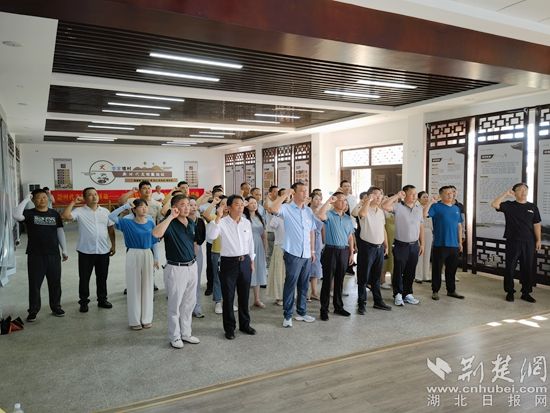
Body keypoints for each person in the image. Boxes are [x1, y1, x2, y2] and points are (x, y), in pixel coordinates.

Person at [152, 195, 200, 349]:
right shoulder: (170, 223)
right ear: (175, 207)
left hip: (192, 266)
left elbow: (193, 243)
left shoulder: (191, 222)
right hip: (176, 268)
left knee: (189, 303)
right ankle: (175, 336)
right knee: (175, 305)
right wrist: (170, 217)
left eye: (188, 204)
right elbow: (156, 234)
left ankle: (186, 333)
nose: (187, 207)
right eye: (182, 204)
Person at [206, 195, 256, 340]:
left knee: (244, 295)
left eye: (242, 204)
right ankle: (229, 328)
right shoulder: (221, 222)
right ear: (228, 207)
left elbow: (250, 242)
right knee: (228, 297)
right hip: (229, 263)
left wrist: (251, 260)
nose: (240, 207)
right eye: (236, 204)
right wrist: (218, 217)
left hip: (245, 261)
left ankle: (245, 325)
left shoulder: (246, 222)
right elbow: (211, 236)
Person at [14, 189, 68, 322]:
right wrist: (26, 199)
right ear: (33, 200)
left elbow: (60, 231)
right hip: (35, 255)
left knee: (55, 283)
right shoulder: (29, 213)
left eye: (44, 197)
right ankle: (33, 310)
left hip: (53, 254)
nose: (42, 199)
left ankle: (56, 307)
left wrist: (64, 249)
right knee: (35, 284)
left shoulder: (54, 214)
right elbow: (16, 215)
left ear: (48, 199)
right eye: (38, 197)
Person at [61, 187, 116, 312]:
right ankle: (84, 302)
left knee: (102, 277)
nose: (94, 196)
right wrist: (73, 202)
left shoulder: (105, 212)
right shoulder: (79, 211)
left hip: (103, 250)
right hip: (86, 251)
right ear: (85, 198)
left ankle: (102, 299)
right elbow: (65, 216)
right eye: (90, 195)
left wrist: (113, 245)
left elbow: (111, 229)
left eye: (95, 194)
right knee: (84, 278)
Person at [269, 182, 317, 328]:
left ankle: (302, 312)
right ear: (294, 193)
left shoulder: (308, 211)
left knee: (304, 285)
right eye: (302, 191)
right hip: (293, 253)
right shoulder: (287, 208)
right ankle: (288, 315)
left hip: (306, 254)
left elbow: (311, 231)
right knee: (290, 284)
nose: (305, 193)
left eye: (306, 190)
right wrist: (285, 194)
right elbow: (273, 208)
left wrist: (312, 251)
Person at [109, 199, 160, 330]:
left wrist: (156, 258)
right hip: (133, 253)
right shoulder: (127, 223)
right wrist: (125, 206)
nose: (144, 209)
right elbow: (111, 216)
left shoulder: (150, 222)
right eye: (141, 207)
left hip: (147, 253)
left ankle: (146, 319)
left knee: (148, 286)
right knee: (134, 287)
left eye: (145, 206)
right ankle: (135, 320)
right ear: (134, 209)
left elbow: (155, 241)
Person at [491, 183, 542, 303]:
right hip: (513, 241)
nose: (524, 192)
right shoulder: (509, 205)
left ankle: (526, 293)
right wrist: (505, 194)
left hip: (529, 241)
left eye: (525, 190)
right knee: (510, 267)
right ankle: (510, 292)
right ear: (514, 193)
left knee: (527, 267)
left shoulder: (532, 207)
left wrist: (538, 239)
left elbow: (536, 224)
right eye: (520, 190)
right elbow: (494, 204)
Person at [352, 186, 392, 314]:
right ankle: (361, 303)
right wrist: (367, 201)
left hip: (379, 248)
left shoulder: (380, 211)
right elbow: (361, 214)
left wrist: (386, 245)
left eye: (380, 194)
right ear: (369, 196)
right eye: (375, 194)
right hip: (367, 248)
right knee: (363, 277)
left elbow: (383, 229)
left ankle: (378, 301)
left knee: (376, 277)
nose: (379, 197)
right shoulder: (364, 208)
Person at [382, 185, 424, 307]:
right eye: (412, 194)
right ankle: (398, 294)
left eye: (416, 194)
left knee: (411, 270)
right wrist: (397, 196)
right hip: (400, 245)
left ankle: (408, 294)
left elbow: (421, 226)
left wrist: (422, 244)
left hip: (414, 245)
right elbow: (384, 206)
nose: (415, 196)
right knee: (398, 270)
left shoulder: (418, 208)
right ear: (405, 194)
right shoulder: (398, 206)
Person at [316, 192, 355, 321]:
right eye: (341, 200)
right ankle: (324, 309)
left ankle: (338, 306)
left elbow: (350, 236)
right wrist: (328, 201)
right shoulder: (329, 214)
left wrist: (351, 252)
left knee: (340, 280)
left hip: (344, 251)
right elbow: (319, 215)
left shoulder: (347, 218)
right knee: (327, 281)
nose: (344, 203)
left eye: (345, 200)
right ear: (334, 201)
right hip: (331, 251)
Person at [423, 186, 464, 301]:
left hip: (454, 245)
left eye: (451, 193)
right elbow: (424, 214)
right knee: (437, 269)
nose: (450, 195)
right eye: (447, 193)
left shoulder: (456, 208)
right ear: (441, 195)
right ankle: (435, 291)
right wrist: (430, 202)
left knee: (452, 269)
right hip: (440, 244)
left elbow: (459, 226)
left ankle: (451, 290)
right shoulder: (436, 207)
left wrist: (460, 242)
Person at [244, 196, 268, 308]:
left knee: (257, 271)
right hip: (247, 246)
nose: (254, 205)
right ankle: (244, 300)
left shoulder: (260, 217)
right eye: (251, 203)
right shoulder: (243, 217)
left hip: (258, 246)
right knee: (247, 272)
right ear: (246, 205)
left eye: (255, 203)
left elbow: (263, 235)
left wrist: (265, 248)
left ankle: (257, 299)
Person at [266, 188, 287, 306]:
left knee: (289, 274)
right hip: (280, 246)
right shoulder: (277, 216)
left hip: (291, 248)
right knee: (279, 273)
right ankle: (279, 296)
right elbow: (272, 226)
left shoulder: (293, 214)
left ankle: (288, 295)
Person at [189, 197, 206, 318]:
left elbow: (202, 237)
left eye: (195, 205)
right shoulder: (182, 221)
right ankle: (187, 307)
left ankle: (196, 306)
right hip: (185, 251)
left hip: (198, 251)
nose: (193, 207)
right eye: (190, 205)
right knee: (187, 281)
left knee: (197, 279)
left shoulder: (200, 221)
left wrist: (196, 242)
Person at [308, 192, 324, 301]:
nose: (318, 201)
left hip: (317, 241)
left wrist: (324, 241)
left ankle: (314, 292)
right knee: (306, 266)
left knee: (316, 266)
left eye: (320, 199)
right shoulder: (306, 211)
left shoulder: (321, 212)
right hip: (307, 239)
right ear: (311, 200)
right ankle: (305, 292)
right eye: (316, 199)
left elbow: (323, 228)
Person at [415, 191, 433, 283]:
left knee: (427, 253)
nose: (426, 199)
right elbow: (423, 215)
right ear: (419, 199)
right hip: (420, 231)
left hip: (429, 232)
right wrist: (430, 203)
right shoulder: (417, 207)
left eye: (427, 197)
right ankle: (418, 276)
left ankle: (426, 275)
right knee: (420, 253)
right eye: (424, 197)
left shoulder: (430, 208)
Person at [263, 185, 279, 266]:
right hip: (270, 230)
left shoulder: (279, 202)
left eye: (278, 191)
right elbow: (267, 208)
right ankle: (269, 267)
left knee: (277, 251)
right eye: (275, 191)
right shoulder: (267, 202)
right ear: (270, 193)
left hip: (279, 231)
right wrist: (267, 197)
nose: (277, 193)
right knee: (270, 251)